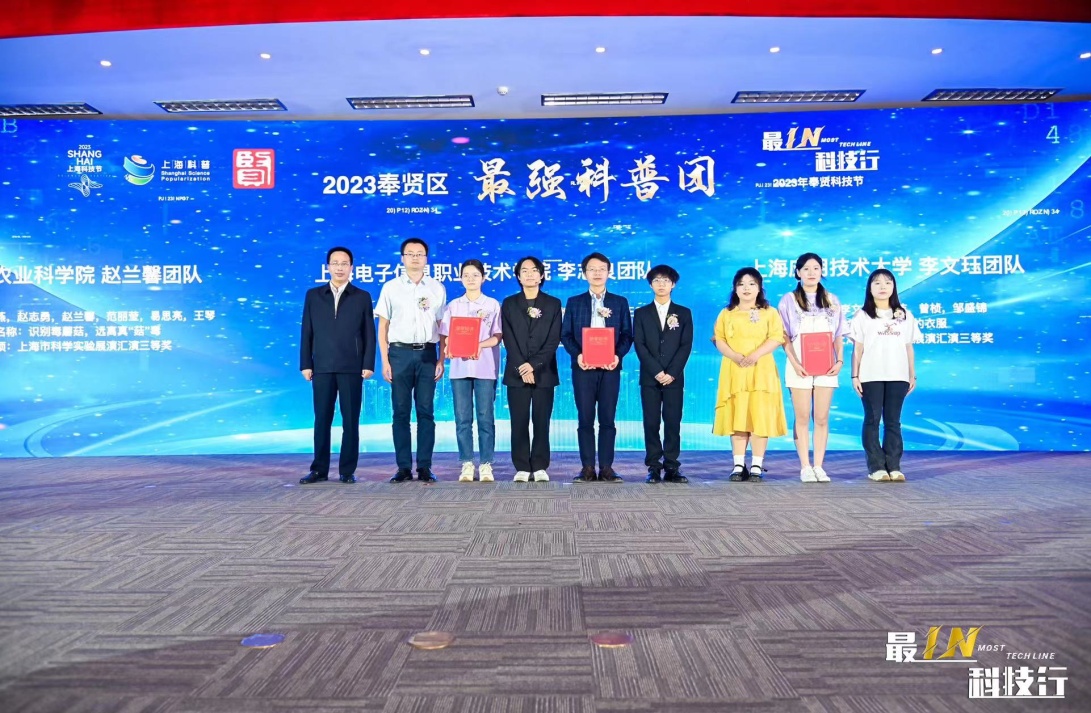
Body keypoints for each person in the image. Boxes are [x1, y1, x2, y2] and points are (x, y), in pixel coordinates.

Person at [298, 246, 375, 484]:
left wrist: (368, 363)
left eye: (344, 263)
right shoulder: (314, 295)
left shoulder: (362, 296)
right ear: (328, 267)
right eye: (335, 263)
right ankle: (319, 469)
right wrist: (305, 364)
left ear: (351, 267)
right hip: (321, 366)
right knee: (322, 420)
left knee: (350, 421)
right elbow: (306, 331)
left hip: (352, 367)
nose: (339, 267)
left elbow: (369, 334)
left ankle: (347, 470)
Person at [376, 238, 446, 483]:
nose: (415, 258)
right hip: (399, 354)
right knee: (400, 412)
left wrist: (441, 359)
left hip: (427, 354)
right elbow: (383, 327)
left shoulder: (437, 288)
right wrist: (385, 361)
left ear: (426, 258)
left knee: (426, 411)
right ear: (402, 258)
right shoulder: (391, 287)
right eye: (410, 254)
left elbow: (442, 327)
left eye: (420, 254)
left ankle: (425, 466)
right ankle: (403, 467)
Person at [560, 252, 633, 482]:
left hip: (610, 368)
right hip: (583, 368)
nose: (597, 273)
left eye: (602, 269)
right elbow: (565, 334)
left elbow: (627, 335)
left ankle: (607, 468)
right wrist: (578, 355)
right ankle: (588, 468)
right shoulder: (574, 302)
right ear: (584, 274)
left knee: (608, 419)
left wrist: (617, 355)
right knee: (585, 419)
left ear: (609, 272)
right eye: (592, 269)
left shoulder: (619, 302)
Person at [778, 253, 848, 483]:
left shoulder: (832, 299)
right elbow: (783, 336)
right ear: (798, 272)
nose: (811, 273)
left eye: (816, 268)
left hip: (827, 366)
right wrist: (795, 363)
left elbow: (838, 334)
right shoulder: (788, 300)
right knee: (802, 417)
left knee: (822, 417)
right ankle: (805, 466)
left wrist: (839, 361)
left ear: (821, 271)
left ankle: (819, 465)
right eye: (806, 269)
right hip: (799, 366)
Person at [713, 267, 788, 481]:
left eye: (752, 284)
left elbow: (776, 337)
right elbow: (719, 339)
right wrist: (735, 356)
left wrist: (755, 355)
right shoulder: (726, 313)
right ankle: (738, 465)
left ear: (759, 288)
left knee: (759, 417)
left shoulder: (770, 312)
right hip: (734, 370)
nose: (746, 288)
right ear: (735, 288)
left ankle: (756, 465)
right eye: (741, 284)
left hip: (761, 370)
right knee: (738, 416)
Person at [850, 269, 920, 482]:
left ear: (894, 287)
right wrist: (855, 376)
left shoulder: (904, 314)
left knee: (893, 421)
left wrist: (912, 375)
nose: (882, 287)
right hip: (870, 375)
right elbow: (857, 348)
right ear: (869, 288)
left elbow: (908, 347)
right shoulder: (862, 315)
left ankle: (894, 466)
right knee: (872, 420)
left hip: (898, 374)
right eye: (877, 283)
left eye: (888, 282)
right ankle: (876, 467)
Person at [439, 260, 503, 483]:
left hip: (485, 367)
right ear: (460, 278)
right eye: (466, 275)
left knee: (486, 417)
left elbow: (497, 336)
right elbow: (446, 336)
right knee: (462, 418)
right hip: (459, 368)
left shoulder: (492, 304)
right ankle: (467, 462)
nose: (470, 279)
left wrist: (478, 346)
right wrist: (447, 348)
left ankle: (486, 463)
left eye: (475, 275)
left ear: (483, 278)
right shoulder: (453, 306)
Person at [501, 256, 563, 483]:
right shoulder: (509, 303)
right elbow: (508, 338)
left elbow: (554, 339)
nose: (529, 274)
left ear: (542, 275)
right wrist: (522, 366)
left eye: (534, 270)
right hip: (516, 373)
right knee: (518, 421)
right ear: (518, 276)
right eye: (524, 270)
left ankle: (539, 465)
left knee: (541, 421)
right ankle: (521, 466)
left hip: (544, 372)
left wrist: (533, 365)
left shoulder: (553, 304)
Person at [633, 265, 693, 484]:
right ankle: (653, 466)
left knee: (673, 422)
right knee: (651, 422)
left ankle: (671, 466)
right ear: (650, 285)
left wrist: (672, 372)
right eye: (657, 280)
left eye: (666, 280)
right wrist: (657, 371)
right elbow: (639, 344)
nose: (661, 284)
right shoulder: (641, 313)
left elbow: (685, 345)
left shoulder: (683, 313)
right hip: (650, 377)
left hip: (673, 379)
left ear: (673, 284)